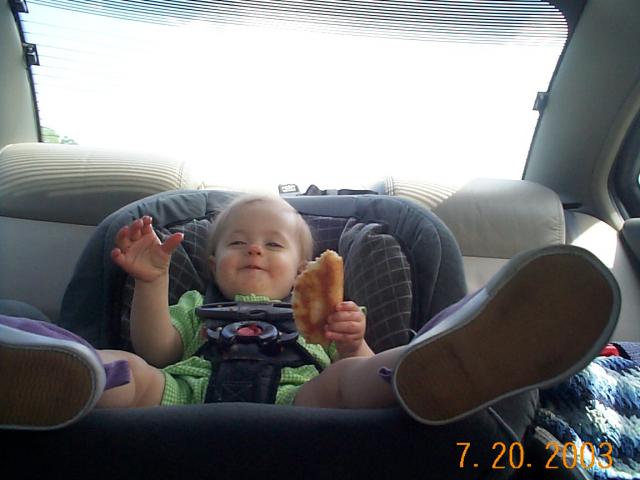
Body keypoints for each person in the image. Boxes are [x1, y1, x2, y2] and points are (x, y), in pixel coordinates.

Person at [0, 194, 621, 429]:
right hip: (184, 395)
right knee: (133, 373)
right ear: (212, 262)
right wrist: (152, 282)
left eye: (273, 245)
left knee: (351, 379)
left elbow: (350, 371)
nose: (253, 250)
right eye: (237, 243)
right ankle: (70, 373)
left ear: (302, 268)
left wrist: (352, 344)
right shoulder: (197, 305)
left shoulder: (323, 316)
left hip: (303, 399)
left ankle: (435, 363)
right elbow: (158, 348)